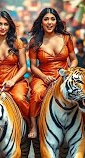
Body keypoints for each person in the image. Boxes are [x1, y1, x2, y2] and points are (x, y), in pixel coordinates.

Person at [29, 8, 78, 138]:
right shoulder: (34, 41)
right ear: (41, 22)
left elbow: (74, 60)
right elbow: (33, 67)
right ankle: (33, 125)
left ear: (57, 21)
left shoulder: (66, 38)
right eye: (46, 19)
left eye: (52, 19)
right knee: (37, 93)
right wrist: (44, 77)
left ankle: (84, 121)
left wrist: (69, 72)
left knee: (80, 90)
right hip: (43, 75)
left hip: (64, 75)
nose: (49, 22)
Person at [0, 11, 29, 132]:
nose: (3, 27)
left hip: (16, 83)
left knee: (19, 98)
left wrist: (13, 80)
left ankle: (31, 125)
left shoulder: (18, 43)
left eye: (6, 24)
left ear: (10, 26)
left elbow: (23, 67)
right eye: (0, 24)